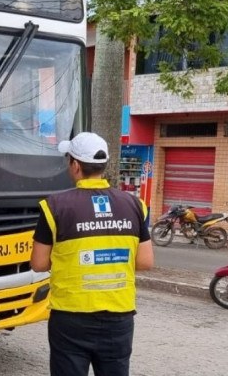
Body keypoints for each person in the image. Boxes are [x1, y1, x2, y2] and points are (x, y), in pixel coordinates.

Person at [31, 132, 154, 376]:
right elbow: (145, 261)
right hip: (118, 317)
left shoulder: (53, 206)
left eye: (68, 160)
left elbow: (38, 263)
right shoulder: (135, 205)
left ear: (75, 166)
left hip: (70, 318)